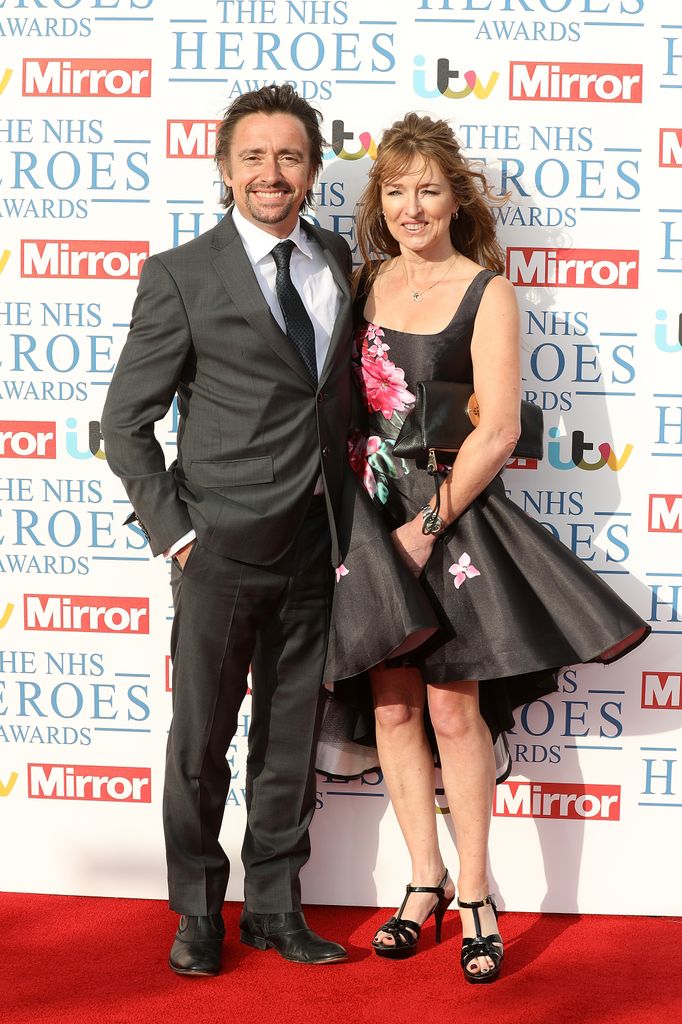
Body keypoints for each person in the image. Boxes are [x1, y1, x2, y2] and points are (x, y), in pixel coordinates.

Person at [322, 112, 650, 984]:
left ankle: (475, 894)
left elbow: (500, 428)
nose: (411, 206)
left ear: (456, 199)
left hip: (451, 517)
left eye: (428, 188)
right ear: (379, 200)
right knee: (390, 706)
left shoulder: (487, 290)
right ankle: (420, 883)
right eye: (395, 190)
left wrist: (426, 531)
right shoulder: (363, 284)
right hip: (369, 512)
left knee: (453, 709)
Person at [101, 84, 354, 977]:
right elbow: (124, 422)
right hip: (217, 547)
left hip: (318, 547)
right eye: (253, 156)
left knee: (290, 739)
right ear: (223, 169)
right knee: (200, 743)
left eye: (289, 156)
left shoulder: (336, 260)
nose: (271, 173)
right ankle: (198, 912)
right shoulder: (181, 273)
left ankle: (277, 909)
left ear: (314, 169)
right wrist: (177, 536)